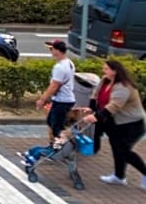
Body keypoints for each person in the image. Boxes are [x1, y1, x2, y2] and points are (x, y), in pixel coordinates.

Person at [82, 59, 146, 188]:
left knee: (123, 150)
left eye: (106, 69)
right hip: (114, 122)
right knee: (116, 148)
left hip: (131, 124)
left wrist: (95, 117)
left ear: (115, 71)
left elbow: (114, 106)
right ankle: (119, 176)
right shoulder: (105, 81)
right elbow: (95, 96)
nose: (103, 71)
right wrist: (91, 109)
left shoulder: (123, 86)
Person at [36, 39, 75, 143]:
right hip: (64, 99)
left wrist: (42, 100)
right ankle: (56, 146)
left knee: (57, 128)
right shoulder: (69, 63)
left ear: (58, 50)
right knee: (51, 122)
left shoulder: (60, 67)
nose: (50, 51)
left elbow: (54, 86)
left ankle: (63, 149)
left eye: (51, 49)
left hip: (62, 101)